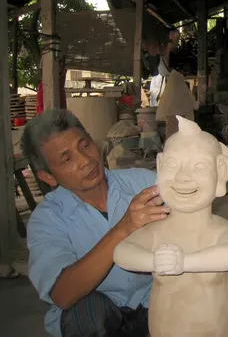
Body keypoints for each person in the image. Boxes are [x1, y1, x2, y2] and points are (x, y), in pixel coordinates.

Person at [22, 109, 169, 337]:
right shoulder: (46, 219)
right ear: (49, 177)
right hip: (100, 318)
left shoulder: (142, 182)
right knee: (86, 316)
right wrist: (123, 228)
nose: (86, 161)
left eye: (85, 145)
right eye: (67, 158)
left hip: (153, 305)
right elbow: (63, 294)